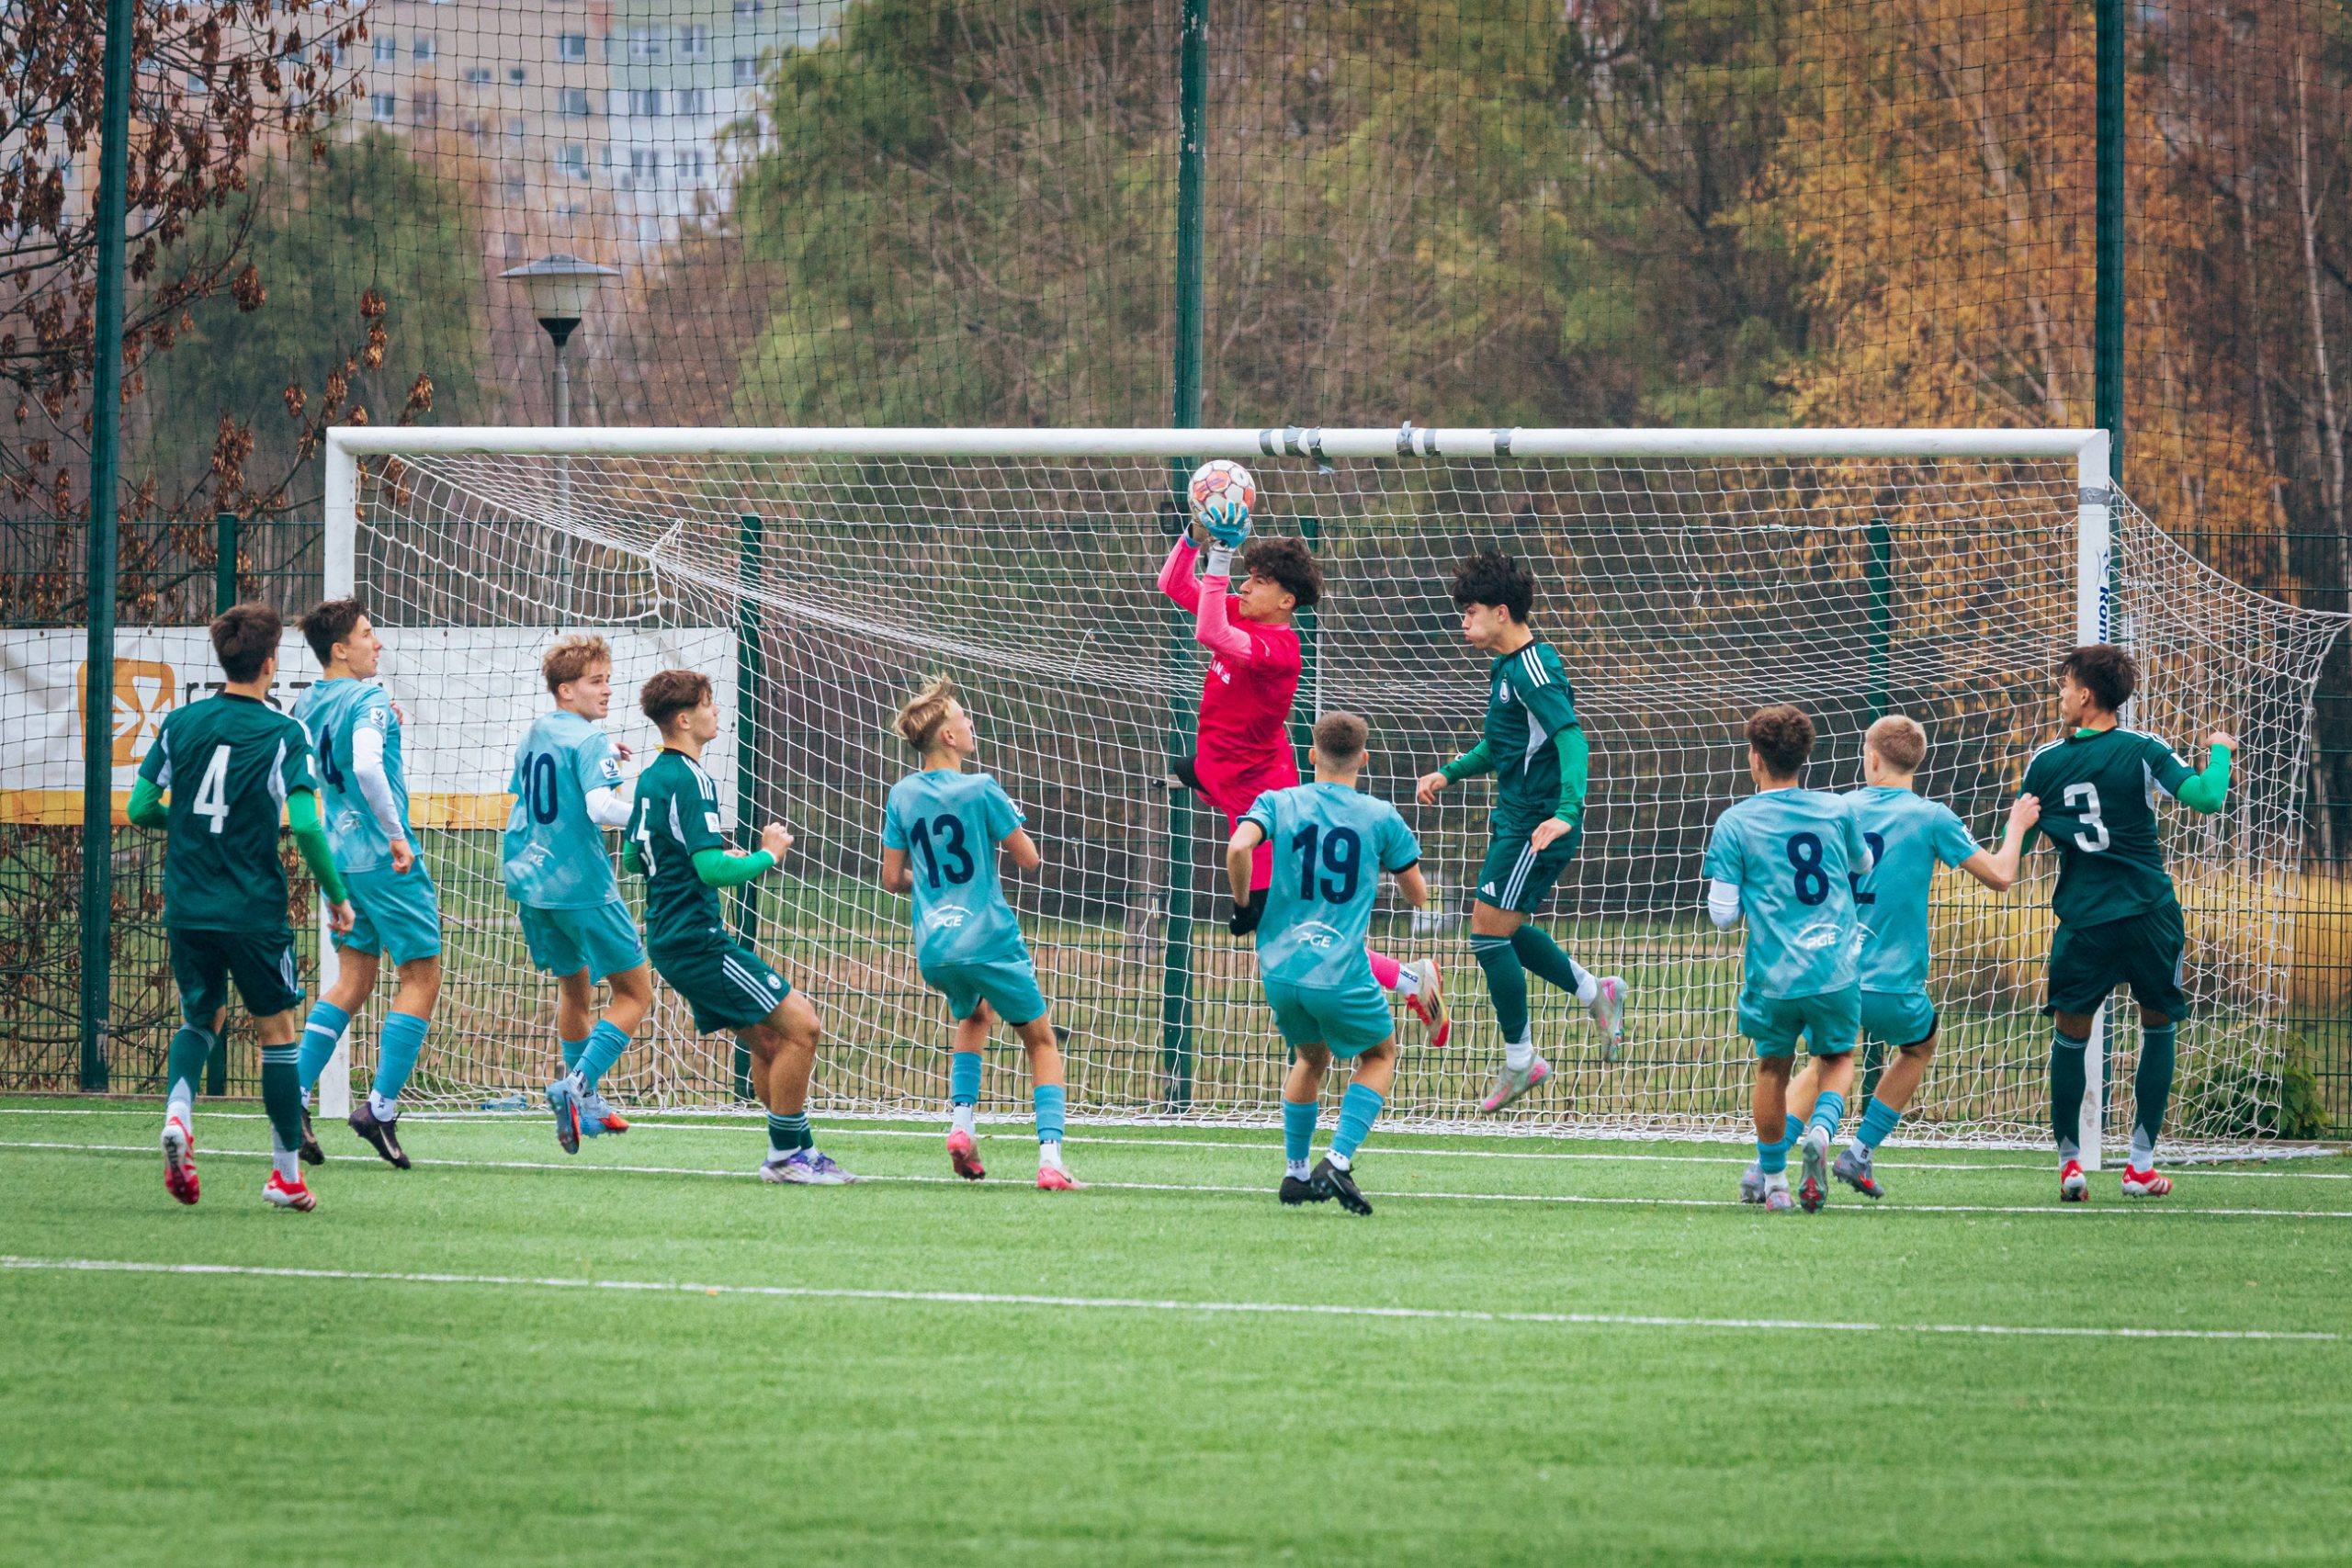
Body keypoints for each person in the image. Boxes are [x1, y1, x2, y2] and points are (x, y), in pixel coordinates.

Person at [1156, 473, 1446, 1047]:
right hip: (1219, 767)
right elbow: (1172, 584)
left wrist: (1221, 552)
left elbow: (1208, 628)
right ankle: (1405, 980)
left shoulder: (1279, 650)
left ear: (1286, 601)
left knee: (1289, 924)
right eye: (1245, 577)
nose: (1244, 586)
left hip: (1261, 789)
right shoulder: (1244, 613)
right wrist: (1195, 535)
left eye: (1258, 582)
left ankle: (1412, 979)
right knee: (1286, 918)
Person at [129, 602, 355, 1211]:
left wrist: (186, 824)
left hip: (187, 904)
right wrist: (337, 896)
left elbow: (140, 806)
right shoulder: (284, 733)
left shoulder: (181, 723)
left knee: (200, 1019)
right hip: (253, 908)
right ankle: (285, 1176)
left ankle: (179, 1115)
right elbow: (305, 824)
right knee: (277, 1033)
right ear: (271, 662)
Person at [1771, 714, 2039, 1201]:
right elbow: (2002, 876)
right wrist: (2017, 826)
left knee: (1823, 1063)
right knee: (1920, 1046)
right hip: (1893, 987)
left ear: (1872, 759)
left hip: (1831, 976)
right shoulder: (1932, 817)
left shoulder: (1837, 809)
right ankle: (1860, 1152)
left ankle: (1766, 1167)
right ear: (1916, 762)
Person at [2017, 646, 2233, 1201]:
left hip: (2085, 922)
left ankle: (2070, 1165)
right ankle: (2139, 1165)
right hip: (2148, 916)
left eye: (2065, 685)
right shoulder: (2143, 749)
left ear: (2086, 694)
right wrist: (2220, 750)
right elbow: (2208, 797)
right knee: (2157, 1027)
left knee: (2070, 1035)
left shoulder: (2044, 763)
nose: (2061, 694)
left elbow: (2017, 847)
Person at [1415, 550, 1626, 1112]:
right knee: (1501, 932)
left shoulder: (1533, 669)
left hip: (1537, 826)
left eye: (1470, 612)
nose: (1463, 622)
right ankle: (1596, 992)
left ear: (1501, 612)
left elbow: (1571, 737)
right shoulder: (1507, 667)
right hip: (1517, 821)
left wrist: (1567, 811)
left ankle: (1521, 1060)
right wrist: (1450, 772)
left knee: (1487, 938)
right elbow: (1504, 743)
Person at [627, 670, 858, 1183]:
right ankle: (785, 1157)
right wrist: (766, 855)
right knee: (804, 1026)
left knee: (770, 1041)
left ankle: (797, 1152)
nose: (716, 712)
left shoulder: (651, 776)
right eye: (707, 704)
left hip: (671, 936)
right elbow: (711, 870)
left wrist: (696, 861)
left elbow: (633, 855)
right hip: (696, 940)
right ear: (684, 719)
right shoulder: (691, 779)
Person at [1227, 711, 1430, 1216]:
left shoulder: (1278, 801)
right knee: (1380, 1054)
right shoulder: (1380, 816)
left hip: (1281, 970)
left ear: (1312, 755)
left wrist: (1243, 905)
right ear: (1364, 759)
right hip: (1339, 970)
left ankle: (1296, 1175)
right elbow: (1418, 896)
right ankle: (1337, 1161)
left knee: (1310, 1059)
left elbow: (1238, 846)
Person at [881, 675, 1077, 1190]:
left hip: (936, 946)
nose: (971, 724)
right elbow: (1029, 859)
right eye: (963, 718)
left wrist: (934, 883)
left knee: (974, 1014)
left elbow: (892, 879)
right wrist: (1002, 825)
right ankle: (1051, 1160)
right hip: (988, 936)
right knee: (1042, 1042)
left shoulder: (901, 794)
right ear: (948, 736)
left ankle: (962, 1127)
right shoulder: (982, 787)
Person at [289, 598, 441, 1169]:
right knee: (422, 975)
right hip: (384, 858)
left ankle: (293, 1096)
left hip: (340, 858)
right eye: (367, 634)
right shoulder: (367, 697)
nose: (377, 643)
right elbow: (366, 766)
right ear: (340, 649)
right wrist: (397, 836)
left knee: (353, 981)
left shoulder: (307, 701)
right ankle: (379, 1108)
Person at [1702, 705, 1871, 1213]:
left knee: (1773, 1068)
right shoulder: (1837, 810)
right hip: (1834, 968)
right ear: (1804, 758)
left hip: (1774, 975)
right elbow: (1863, 864)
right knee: (1838, 1058)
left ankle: (1774, 1185)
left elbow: (1722, 915)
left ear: (1755, 758)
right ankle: (1820, 1132)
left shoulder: (1735, 822)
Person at [504, 635, 650, 1151]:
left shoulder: (537, 732)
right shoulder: (588, 740)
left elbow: (535, 792)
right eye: (596, 681)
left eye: (608, 680)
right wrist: (655, 816)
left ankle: (585, 1107)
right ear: (566, 689)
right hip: (580, 885)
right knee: (636, 993)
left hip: (531, 880)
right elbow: (600, 808)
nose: (607, 690)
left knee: (575, 990)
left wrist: (604, 754)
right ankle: (577, 1085)